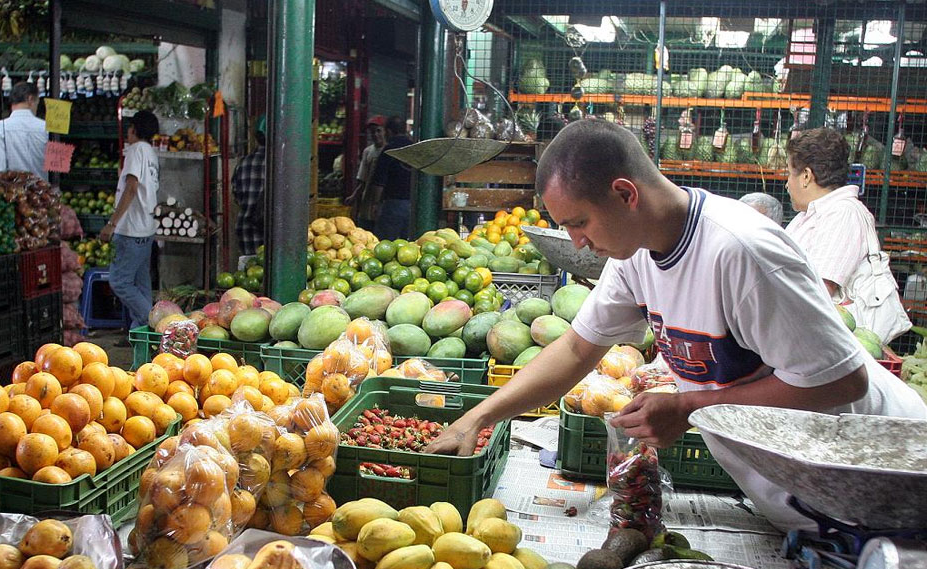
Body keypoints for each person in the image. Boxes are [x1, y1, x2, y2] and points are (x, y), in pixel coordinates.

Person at [425, 118, 926, 532]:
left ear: (625, 194)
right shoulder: (634, 256)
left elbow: (842, 379)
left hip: (881, 482)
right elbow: (578, 350)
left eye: (579, 223)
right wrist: (478, 418)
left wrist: (689, 406)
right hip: (801, 493)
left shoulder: (742, 252)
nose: (576, 242)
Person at [784, 128, 911, 344]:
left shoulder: (843, 213)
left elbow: (819, 289)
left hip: (835, 343)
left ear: (806, 176)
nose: (787, 184)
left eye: (788, 173)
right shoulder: (809, 215)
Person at [100, 110, 160, 330]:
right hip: (146, 229)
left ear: (134, 129)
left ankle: (157, 324)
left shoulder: (135, 150)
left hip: (131, 230)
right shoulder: (151, 153)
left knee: (120, 281)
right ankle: (143, 336)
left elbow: (131, 187)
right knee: (141, 285)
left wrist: (112, 223)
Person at [0, 82, 48, 180]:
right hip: (43, 192)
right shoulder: (47, 128)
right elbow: (57, 168)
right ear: (30, 99)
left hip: (10, 192)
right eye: (37, 103)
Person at [368, 115, 414, 239]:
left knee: (388, 243)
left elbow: (379, 182)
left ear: (388, 131)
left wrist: (375, 205)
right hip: (413, 204)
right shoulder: (414, 148)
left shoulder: (388, 150)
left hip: (393, 205)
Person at [232, 115, 266, 257]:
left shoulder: (244, 163)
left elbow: (237, 196)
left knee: (250, 274)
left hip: (247, 230)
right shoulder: (284, 166)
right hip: (275, 234)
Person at [347, 115, 387, 229]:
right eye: (372, 132)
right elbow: (362, 179)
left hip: (383, 204)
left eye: (379, 131)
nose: (375, 135)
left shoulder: (390, 150)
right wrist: (354, 196)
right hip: (367, 203)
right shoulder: (368, 151)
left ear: (385, 131)